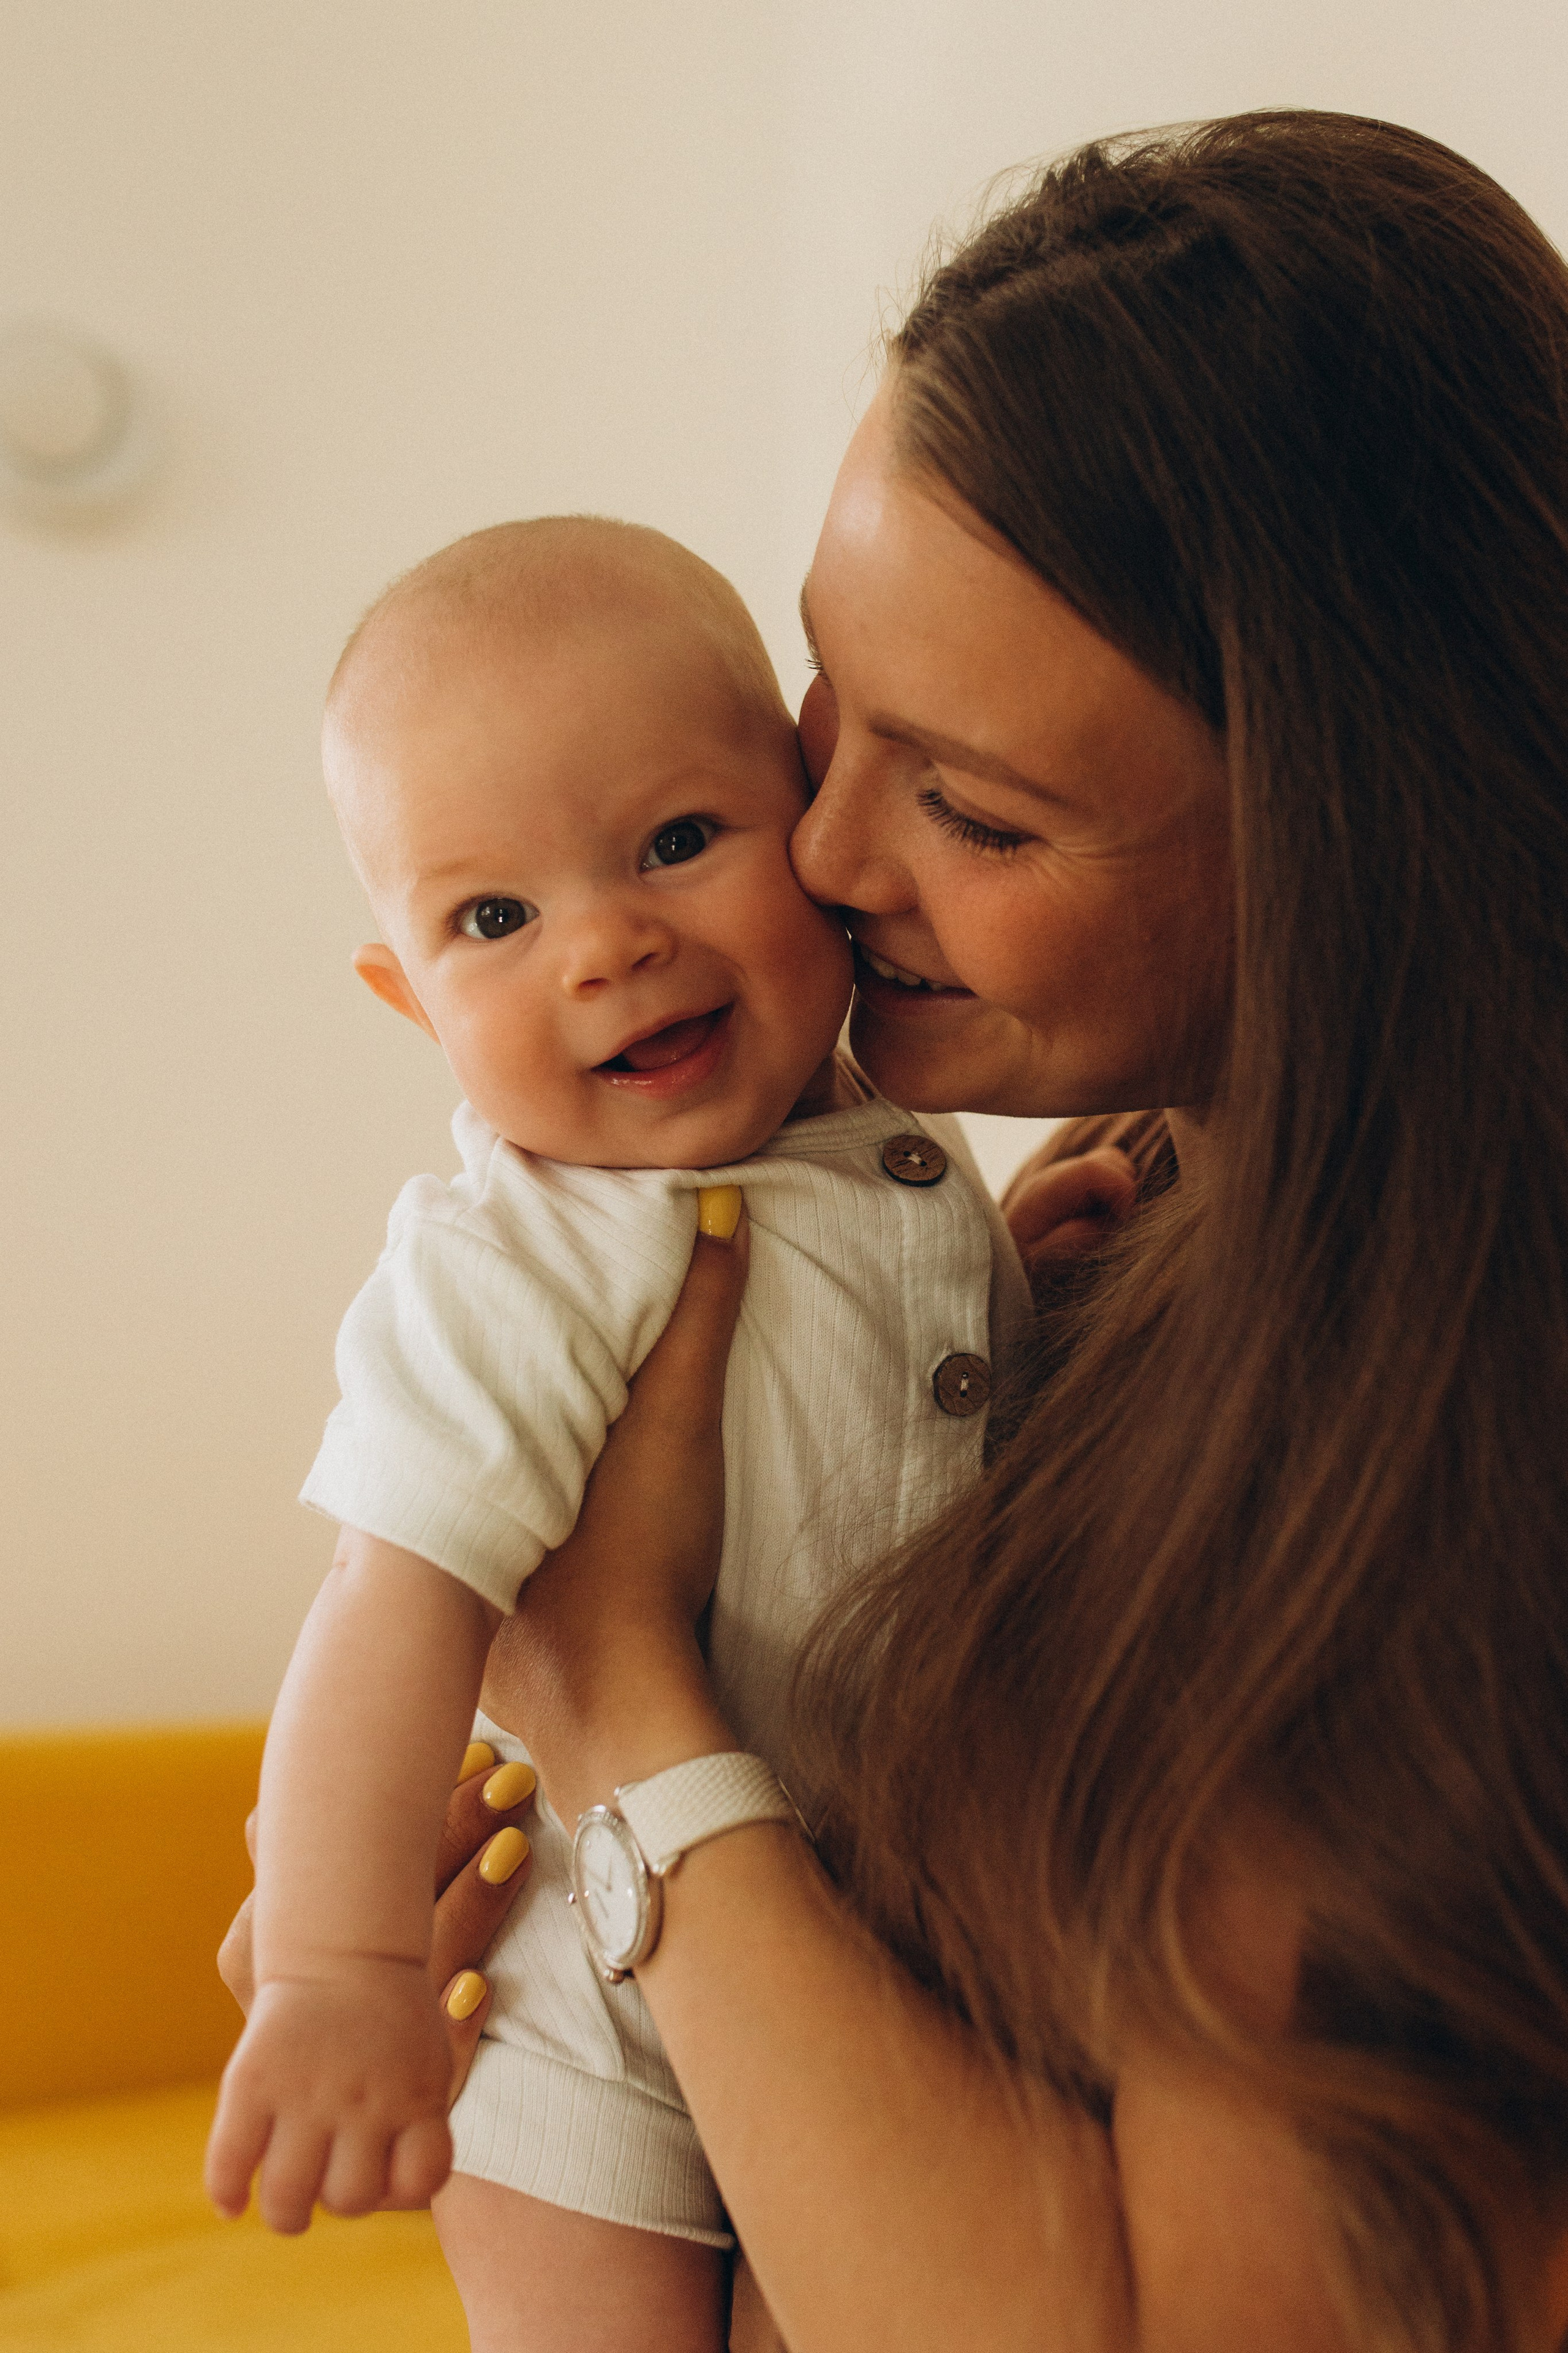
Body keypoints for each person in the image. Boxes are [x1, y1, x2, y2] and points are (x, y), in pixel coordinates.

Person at [222, 107, 1568, 2349]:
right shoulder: (1080, 1221)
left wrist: (614, 1703)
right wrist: (365, 1933)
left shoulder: (1423, 1492)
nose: (824, 856)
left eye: (971, 800)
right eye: (831, 712)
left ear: (1348, 837)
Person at [203, 516, 1029, 2353]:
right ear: (410, 1000)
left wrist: (1008, 1298)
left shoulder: (879, 1133)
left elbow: (890, 1402)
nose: (610, 943)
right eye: (494, 917)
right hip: (576, 1988)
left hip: (865, 1955)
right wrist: (337, 1970)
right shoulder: (524, 1253)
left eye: (675, 841)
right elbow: (390, 1601)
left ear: (810, 830)